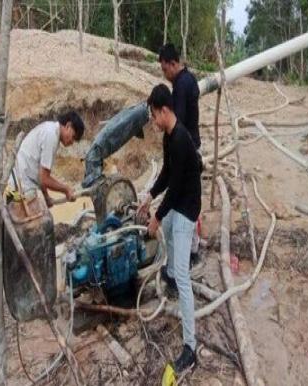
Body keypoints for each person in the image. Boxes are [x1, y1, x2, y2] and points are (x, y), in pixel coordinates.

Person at [139, 84, 201, 373]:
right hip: (179, 201)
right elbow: (166, 173)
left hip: (187, 207)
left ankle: (190, 347)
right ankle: (172, 275)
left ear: (164, 110)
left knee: (184, 275)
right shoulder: (168, 137)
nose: (153, 120)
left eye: (153, 115)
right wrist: (150, 195)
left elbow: (175, 189)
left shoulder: (182, 140)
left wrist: (157, 217)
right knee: (171, 246)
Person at [159, 43, 201, 265]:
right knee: (191, 198)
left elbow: (180, 119)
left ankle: (188, 253)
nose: (165, 75)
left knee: (185, 199)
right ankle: (193, 248)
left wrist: (174, 142)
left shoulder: (181, 85)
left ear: (173, 63)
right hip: (193, 143)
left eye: (165, 69)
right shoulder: (190, 79)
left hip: (187, 147)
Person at [7, 111, 85, 207]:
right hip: (19, 190)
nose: (72, 142)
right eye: (73, 137)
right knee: (46, 220)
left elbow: (41, 175)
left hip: (17, 185)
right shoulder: (51, 136)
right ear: (68, 126)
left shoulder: (50, 129)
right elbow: (44, 179)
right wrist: (66, 189)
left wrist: (46, 196)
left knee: (44, 212)